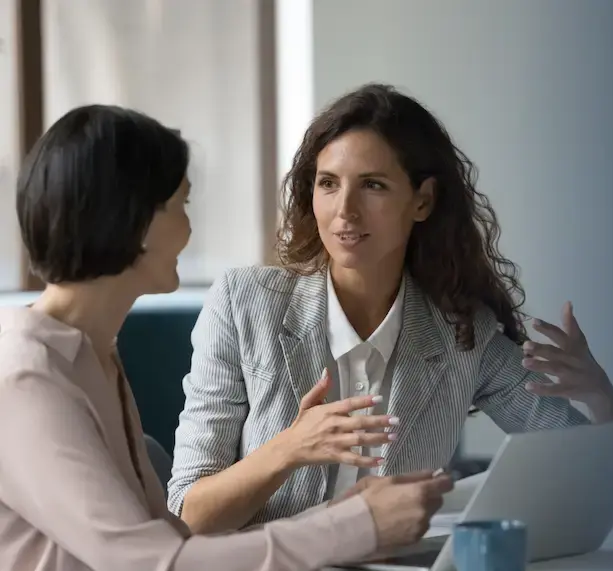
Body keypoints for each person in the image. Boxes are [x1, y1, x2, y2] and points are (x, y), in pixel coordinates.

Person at [168, 83, 613, 534]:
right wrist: (287, 451)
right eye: (328, 183)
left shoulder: (464, 334)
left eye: (372, 185)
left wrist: (601, 396)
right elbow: (188, 516)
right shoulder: (244, 304)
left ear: (422, 201)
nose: (345, 211)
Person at [0, 104, 453, 571]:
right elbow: (153, 563)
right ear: (131, 221)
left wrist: (341, 513)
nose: (189, 229)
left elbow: (169, 539)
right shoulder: (26, 377)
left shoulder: (94, 357)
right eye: (181, 205)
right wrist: (359, 526)